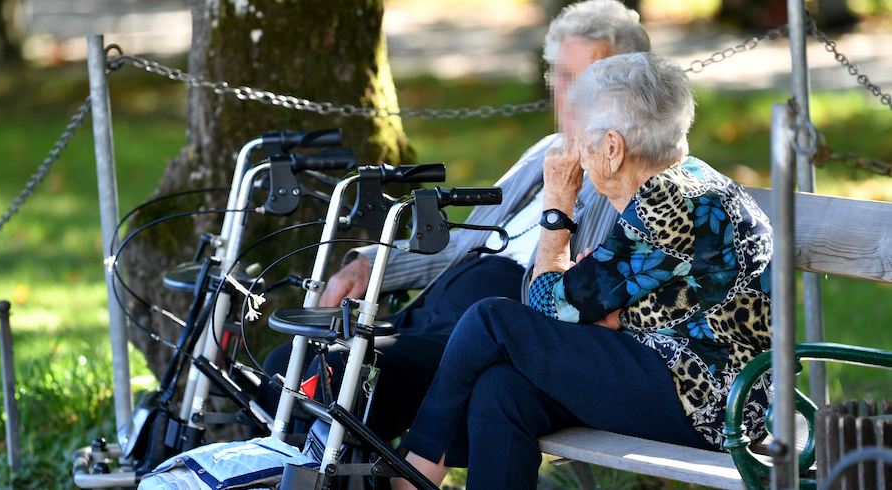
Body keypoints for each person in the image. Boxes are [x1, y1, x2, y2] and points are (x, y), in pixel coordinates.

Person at [258, 0, 651, 442]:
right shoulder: (545, 150)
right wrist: (372, 263)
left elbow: (597, 288)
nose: (572, 93)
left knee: (340, 373)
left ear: (628, 84)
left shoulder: (634, 171)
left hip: (494, 331)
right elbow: (466, 239)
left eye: (590, 78)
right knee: (281, 366)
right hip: (438, 309)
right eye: (561, 75)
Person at [392, 52, 775, 489]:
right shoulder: (688, 179)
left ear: (612, 148)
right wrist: (600, 313)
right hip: (685, 380)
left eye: (580, 137)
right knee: (502, 391)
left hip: (710, 403)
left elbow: (546, 307)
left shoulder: (666, 204)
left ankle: (415, 470)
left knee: (490, 319)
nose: (573, 149)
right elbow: (587, 305)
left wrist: (558, 205)